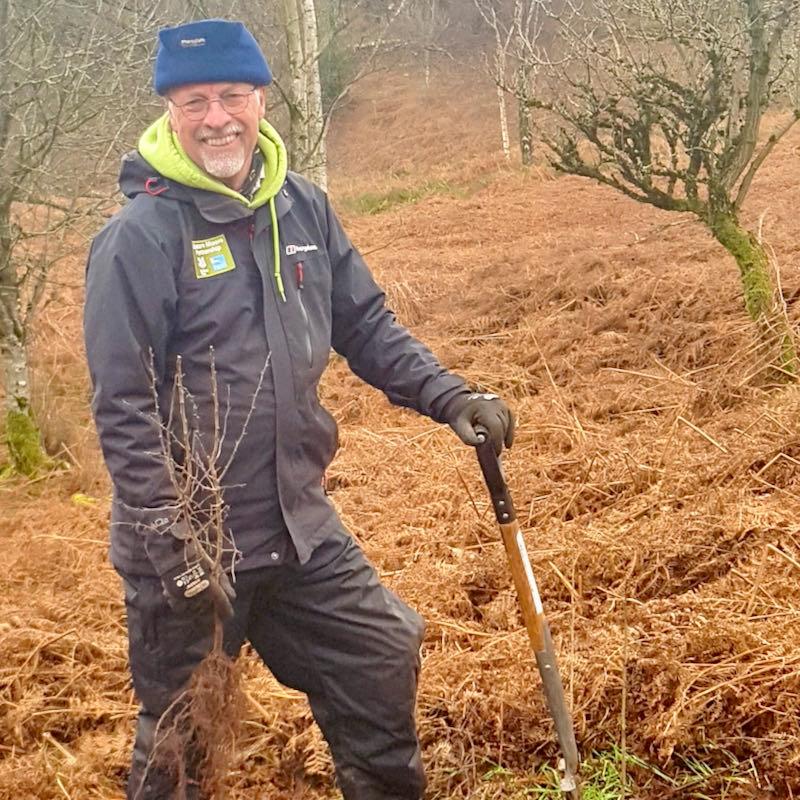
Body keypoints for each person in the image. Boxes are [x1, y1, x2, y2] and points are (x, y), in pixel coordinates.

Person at [84, 18, 514, 800]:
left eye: (233, 96)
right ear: (169, 113)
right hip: (192, 554)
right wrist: (170, 541)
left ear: (261, 100)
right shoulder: (140, 238)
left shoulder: (302, 210)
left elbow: (366, 324)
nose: (217, 116)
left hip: (297, 526)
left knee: (379, 651)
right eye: (195, 100)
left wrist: (449, 395)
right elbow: (124, 406)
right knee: (184, 748)